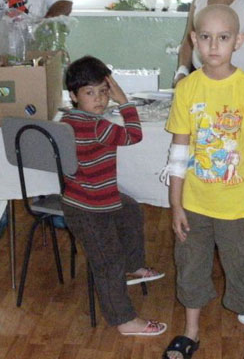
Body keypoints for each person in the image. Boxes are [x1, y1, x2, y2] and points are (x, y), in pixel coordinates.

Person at [163, 4, 244, 359]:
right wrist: (176, 204)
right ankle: (191, 331)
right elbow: (178, 152)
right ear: (194, 40)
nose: (214, 46)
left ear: (238, 41)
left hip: (238, 208)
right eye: (206, 37)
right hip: (194, 205)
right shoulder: (187, 89)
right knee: (191, 269)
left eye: (223, 37)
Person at [60, 56, 166, 336]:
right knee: (108, 263)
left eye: (104, 91)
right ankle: (124, 320)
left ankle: (133, 265)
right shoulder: (98, 126)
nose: (99, 99)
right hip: (89, 208)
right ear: (74, 95)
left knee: (130, 209)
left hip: (89, 196)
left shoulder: (68, 118)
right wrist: (124, 101)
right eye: (90, 92)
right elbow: (134, 135)